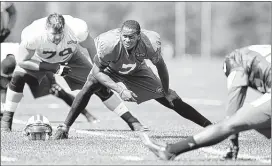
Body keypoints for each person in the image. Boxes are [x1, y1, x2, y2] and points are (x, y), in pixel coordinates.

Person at [53, 20, 212, 140]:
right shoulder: (108, 44)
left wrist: (166, 89)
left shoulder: (150, 43)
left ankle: (210, 127)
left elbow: (161, 67)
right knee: (90, 85)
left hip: (136, 69)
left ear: (139, 36)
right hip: (110, 68)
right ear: (120, 35)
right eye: (125, 37)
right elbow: (96, 71)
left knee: (169, 98)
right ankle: (64, 127)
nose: (127, 40)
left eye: (131, 37)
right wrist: (120, 89)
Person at [1, 14, 146, 132]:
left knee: (98, 84)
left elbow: (91, 48)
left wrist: (99, 68)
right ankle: (7, 121)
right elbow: (22, 61)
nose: (57, 38)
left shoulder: (77, 30)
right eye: (53, 34)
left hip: (71, 57)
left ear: (65, 28)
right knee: (18, 76)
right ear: (45, 30)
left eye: (60, 34)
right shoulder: (33, 35)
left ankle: (132, 121)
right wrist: (54, 68)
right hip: (38, 59)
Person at [142, 45, 271, 160]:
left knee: (228, 124)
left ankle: (170, 151)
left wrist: (233, 142)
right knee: (259, 122)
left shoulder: (237, 60)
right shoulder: (258, 53)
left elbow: (232, 112)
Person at [0, 42, 98, 123]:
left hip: (31, 69)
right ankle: (4, 112)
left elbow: (44, 65)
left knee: (57, 91)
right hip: (11, 66)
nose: (6, 81)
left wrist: (52, 81)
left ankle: (87, 114)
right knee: (3, 87)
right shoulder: (4, 53)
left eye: (8, 77)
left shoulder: (28, 54)